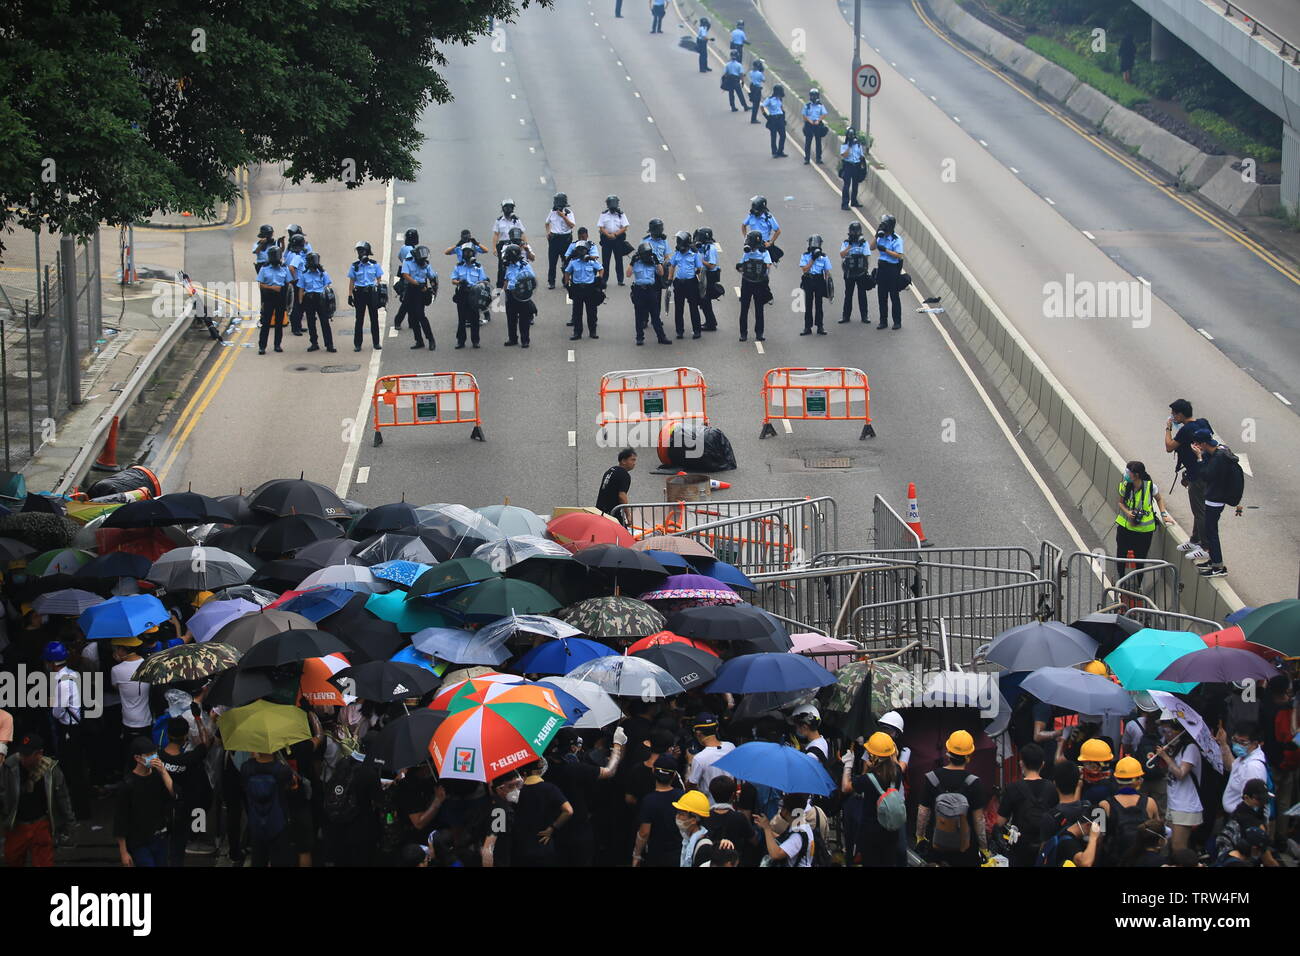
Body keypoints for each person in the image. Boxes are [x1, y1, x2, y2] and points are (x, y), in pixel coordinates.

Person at [544, 727, 626, 866]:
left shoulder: (545, 770)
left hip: (553, 830)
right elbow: (609, 771)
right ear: (572, 748)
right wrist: (618, 745)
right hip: (578, 829)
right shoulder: (575, 769)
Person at [915, 730, 987, 866]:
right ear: (969, 756)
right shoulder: (974, 783)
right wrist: (984, 847)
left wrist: (920, 836)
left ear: (948, 752)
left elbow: (923, 813)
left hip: (937, 847)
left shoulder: (931, 778)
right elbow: (979, 820)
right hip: (966, 850)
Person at [1, 733, 74, 867]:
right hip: (17, 825)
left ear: (39, 754)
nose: (23, 758)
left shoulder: (51, 770)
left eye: (27, 755)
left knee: (44, 862)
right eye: (22, 753)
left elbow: (63, 798)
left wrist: (68, 823)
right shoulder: (9, 767)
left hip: (41, 824)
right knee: (12, 860)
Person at [844, 732, 906, 866]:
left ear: (873, 756)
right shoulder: (897, 771)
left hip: (870, 834)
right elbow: (893, 765)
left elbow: (846, 787)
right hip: (891, 832)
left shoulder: (867, 779)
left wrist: (848, 764)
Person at [43, 640, 89, 820]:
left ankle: (78, 810)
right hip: (77, 727)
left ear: (52, 663)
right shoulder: (72, 674)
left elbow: (58, 712)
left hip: (69, 729)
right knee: (78, 768)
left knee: (72, 771)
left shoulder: (61, 682)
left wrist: (51, 703)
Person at [1164, 399, 1214, 561]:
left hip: (1197, 475)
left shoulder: (1186, 430)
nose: (1172, 417)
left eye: (1173, 414)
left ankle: (1205, 547)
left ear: (1180, 414)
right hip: (1206, 471)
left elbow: (1169, 446)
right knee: (1200, 509)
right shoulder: (1203, 423)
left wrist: (1168, 428)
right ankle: (1194, 540)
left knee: (1199, 511)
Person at [1190, 430, 1244, 578]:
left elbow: (1206, 475)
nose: (1195, 446)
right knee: (1210, 531)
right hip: (1215, 497)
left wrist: (1199, 457)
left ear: (1203, 443)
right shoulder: (1220, 452)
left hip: (1215, 499)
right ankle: (1213, 560)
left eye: (1197, 443)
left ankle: (1218, 566)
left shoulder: (1219, 458)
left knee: (1211, 532)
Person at [115, 736, 175, 867]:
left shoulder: (158, 777)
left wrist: (163, 772)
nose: (153, 757)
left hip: (160, 837)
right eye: (149, 755)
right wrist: (123, 851)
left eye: (154, 753)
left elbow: (174, 794)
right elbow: (120, 820)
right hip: (139, 841)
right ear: (137, 758)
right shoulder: (127, 785)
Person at [994, 742, 1058, 867]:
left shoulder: (1012, 788)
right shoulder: (1051, 787)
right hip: (1044, 847)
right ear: (1042, 764)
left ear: (1021, 763)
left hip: (1020, 847)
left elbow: (1000, 822)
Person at [160, 715, 210, 866]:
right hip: (182, 814)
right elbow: (206, 743)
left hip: (160, 812)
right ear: (185, 736)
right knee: (177, 852)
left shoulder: (156, 758)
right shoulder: (190, 759)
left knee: (159, 851)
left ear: (168, 734)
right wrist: (198, 719)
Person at [1152, 711, 1202, 851]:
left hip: (1185, 805)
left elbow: (1181, 774)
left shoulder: (1190, 748)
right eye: (1162, 731)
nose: (1165, 735)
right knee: (1168, 845)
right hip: (1173, 803)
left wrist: (1165, 757)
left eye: (1168, 731)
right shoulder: (1173, 748)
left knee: (1178, 847)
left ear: (1179, 731)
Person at [1114, 460, 1173, 575]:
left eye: (1128, 472)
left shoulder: (1150, 487)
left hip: (1144, 531)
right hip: (1125, 528)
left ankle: (1139, 582)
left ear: (1136, 475)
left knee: (1140, 559)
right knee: (1121, 556)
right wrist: (1127, 512)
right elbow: (1120, 503)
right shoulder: (1125, 485)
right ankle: (1121, 579)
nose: (1126, 474)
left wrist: (1164, 515)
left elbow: (1159, 499)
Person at [1098, 756, 1160, 866]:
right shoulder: (1150, 803)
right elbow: (1158, 833)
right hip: (1143, 861)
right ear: (1138, 780)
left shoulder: (1104, 805)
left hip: (1114, 861)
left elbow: (1098, 839)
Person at [512, 759, 571, 868]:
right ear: (540, 770)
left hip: (521, 846)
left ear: (524, 772)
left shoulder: (516, 793)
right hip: (544, 844)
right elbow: (568, 811)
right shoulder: (550, 788)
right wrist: (552, 828)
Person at [241, 750, 294, 867]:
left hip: (255, 823)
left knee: (258, 860)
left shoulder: (246, 768)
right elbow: (291, 787)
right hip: (278, 823)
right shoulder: (282, 770)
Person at [633, 753, 684, 866]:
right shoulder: (682, 796)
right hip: (678, 852)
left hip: (656, 854)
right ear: (674, 775)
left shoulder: (649, 801)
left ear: (653, 771)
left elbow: (644, 832)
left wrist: (636, 855)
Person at [111, 637, 152, 773]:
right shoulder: (147, 664)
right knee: (148, 758)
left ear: (123, 650)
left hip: (128, 721)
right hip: (147, 720)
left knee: (130, 757)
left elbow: (116, 688)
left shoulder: (116, 670)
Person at [1218, 721, 1269, 816]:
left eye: (1242, 742)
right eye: (1235, 740)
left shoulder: (1253, 767)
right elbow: (1233, 768)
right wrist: (1223, 744)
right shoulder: (1245, 757)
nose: (1237, 745)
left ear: (1254, 743)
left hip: (1243, 818)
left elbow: (1253, 802)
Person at [755, 793, 816, 866]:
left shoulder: (798, 835)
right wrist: (766, 827)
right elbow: (784, 840)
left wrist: (767, 828)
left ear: (786, 811)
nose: (780, 810)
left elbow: (775, 854)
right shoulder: (801, 826)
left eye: (782, 807)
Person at [627, 242, 670, 345]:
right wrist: (632, 262)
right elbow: (628, 274)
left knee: (655, 315)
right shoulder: (636, 262)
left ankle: (661, 337)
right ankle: (639, 338)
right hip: (639, 290)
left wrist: (657, 262)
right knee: (639, 315)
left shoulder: (652, 261)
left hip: (651, 290)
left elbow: (661, 273)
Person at [347, 240, 384, 353]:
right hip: (359, 293)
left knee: (374, 318)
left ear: (367, 252)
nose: (360, 253)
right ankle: (358, 344)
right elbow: (352, 281)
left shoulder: (374, 265)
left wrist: (379, 293)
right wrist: (350, 295)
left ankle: (376, 342)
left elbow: (379, 279)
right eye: (359, 251)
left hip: (371, 293)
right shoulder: (355, 266)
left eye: (362, 251)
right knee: (359, 319)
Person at [667, 230, 705, 340]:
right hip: (679, 283)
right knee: (679, 308)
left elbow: (699, 268)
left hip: (691, 283)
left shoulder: (694, 254)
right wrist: (670, 279)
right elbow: (672, 266)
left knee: (693, 307)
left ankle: (697, 331)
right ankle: (679, 331)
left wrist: (700, 282)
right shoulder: (677, 254)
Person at [736, 230, 772, 342]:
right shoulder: (747, 252)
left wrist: (756, 263)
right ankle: (743, 333)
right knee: (744, 308)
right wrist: (742, 267)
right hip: (747, 282)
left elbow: (768, 265)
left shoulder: (764, 252)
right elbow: (741, 267)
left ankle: (759, 333)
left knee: (759, 309)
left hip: (760, 282)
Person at [297, 252, 337, 353]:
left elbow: (328, 286)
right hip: (309, 299)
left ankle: (329, 344)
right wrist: (300, 303)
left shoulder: (323, 274)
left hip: (321, 299)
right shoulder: (304, 275)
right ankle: (314, 343)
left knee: (325, 322)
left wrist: (328, 301)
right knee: (311, 323)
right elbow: (301, 289)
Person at [563, 238, 604, 340]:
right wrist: (567, 283)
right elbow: (567, 272)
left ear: (587, 251)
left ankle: (592, 332)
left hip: (590, 289)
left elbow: (601, 269)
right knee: (577, 313)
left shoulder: (591, 262)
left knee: (592, 312)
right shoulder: (573, 262)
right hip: (577, 289)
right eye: (579, 250)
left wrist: (599, 279)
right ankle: (577, 333)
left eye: (583, 250)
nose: (581, 252)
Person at [479, 771, 522, 867]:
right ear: (499, 789)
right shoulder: (500, 812)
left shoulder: (493, 803)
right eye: (510, 786)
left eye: (517, 784)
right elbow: (488, 848)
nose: (515, 789)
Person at [1038, 802, 1101, 866]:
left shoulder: (1068, 827)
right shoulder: (1067, 842)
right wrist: (1093, 838)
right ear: (1089, 825)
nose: (1099, 835)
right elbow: (1085, 863)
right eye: (1099, 831)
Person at [451, 244, 490, 350]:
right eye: (465, 252)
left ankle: (475, 341)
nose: (467, 254)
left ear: (473, 253)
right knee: (461, 319)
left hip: (474, 293)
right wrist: (459, 282)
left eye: (469, 252)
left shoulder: (478, 267)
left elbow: (483, 281)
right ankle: (460, 341)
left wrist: (480, 284)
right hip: (462, 293)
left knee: (474, 319)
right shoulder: (459, 266)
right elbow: (453, 280)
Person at [401, 244, 439, 350]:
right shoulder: (408, 262)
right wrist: (417, 283)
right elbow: (405, 275)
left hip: (421, 291)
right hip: (411, 289)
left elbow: (432, 276)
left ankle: (431, 339)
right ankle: (419, 340)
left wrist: (433, 287)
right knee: (412, 318)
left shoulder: (426, 264)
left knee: (421, 315)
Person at [870, 214, 904, 330]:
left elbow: (899, 255)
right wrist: (876, 235)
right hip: (882, 268)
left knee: (894, 296)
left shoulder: (896, 239)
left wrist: (886, 250)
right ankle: (883, 321)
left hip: (892, 269)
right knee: (882, 296)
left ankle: (897, 322)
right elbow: (871, 247)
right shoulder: (881, 236)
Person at [685, 713, 735, 793]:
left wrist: (690, 763)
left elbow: (690, 788)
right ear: (716, 728)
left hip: (709, 801)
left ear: (698, 733)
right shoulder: (731, 747)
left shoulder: (699, 758)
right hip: (730, 800)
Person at [256, 246, 291, 355]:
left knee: (279, 322)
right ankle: (262, 346)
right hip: (268, 298)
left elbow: (288, 283)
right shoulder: (264, 268)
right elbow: (261, 284)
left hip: (280, 297)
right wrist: (272, 288)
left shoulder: (284, 268)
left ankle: (277, 345)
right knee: (266, 322)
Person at [502, 244, 537, 348]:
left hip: (522, 295)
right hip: (510, 294)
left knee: (524, 319)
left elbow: (532, 279)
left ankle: (525, 340)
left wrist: (526, 292)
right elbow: (506, 279)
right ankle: (512, 339)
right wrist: (504, 292)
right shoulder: (509, 266)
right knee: (511, 319)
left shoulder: (525, 265)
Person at [838, 220, 872, 324]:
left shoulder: (864, 243)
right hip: (849, 271)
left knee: (862, 294)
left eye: (856, 231)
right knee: (848, 294)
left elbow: (867, 256)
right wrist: (850, 246)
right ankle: (845, 316)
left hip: (861, 272)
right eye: (853, 231)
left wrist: (860, 246)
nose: (855, 233)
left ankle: (864, 316)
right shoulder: (846, 242)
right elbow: (842, 255)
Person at [672, 789, 716, 866]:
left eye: (681, 814)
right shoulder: (687, 840)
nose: (677, 817)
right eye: (677, 813)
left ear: (693, 820)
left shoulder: (704, 848)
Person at [799, 235, 832, 336]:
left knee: (819, 304)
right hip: (808, 279)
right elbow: (805, 270)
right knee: (808, 304)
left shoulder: (824, 257)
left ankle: (820, 326)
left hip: (819, 280)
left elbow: (827, 272)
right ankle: (807, 327)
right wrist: (813, 259)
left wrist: (827, 285)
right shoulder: (805, 256)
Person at [491, 199, 527, 290]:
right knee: (502, 266)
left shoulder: (517, 220)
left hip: (515, 244)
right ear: (503, 209)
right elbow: (496, 234)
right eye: (506, 207)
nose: (508, 209)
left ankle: (516, 285)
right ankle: (500, 287)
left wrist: (525, 245)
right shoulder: (499, 220)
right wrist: (494, 248)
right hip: (503, 245)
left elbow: (522, 233)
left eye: (510, 207)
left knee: (516, 264)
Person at [597, 196, 631, 287]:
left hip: (618, 240)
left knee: (619, 260)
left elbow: (625, 227)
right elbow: (601, 227)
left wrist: (615, 234)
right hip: (606, 240)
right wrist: (608, 235)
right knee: (606, 261)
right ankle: (604, 280)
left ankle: (620, 280)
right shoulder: (604, 214)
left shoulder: (621, 214)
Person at [544, 193, 575, 289]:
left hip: (565, 239)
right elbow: (547, 223)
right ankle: (551, 282)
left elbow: (572, 225)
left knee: (566, 261)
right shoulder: (552, 212)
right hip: (554, 239)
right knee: (552, 262)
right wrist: (548, 232)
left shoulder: (569, 213)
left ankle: (566, 280)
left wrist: (563, 216)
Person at [391, 227, 419, 330]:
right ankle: (398, 321)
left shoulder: (404, 247)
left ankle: (412, 322)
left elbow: (399, 257)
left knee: (411, 302)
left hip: (406, 276)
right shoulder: (412, 250)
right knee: (407, 302)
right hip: (410, 278)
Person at [693, 227, 721, 332]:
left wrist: (700, 260)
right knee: (704, 300)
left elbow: (712, 265)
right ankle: (711, 321)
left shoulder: (711, 249)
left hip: (710, 276)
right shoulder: (703, 246)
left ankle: (711, 323)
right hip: (705, 274)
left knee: (705, 300)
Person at [741, 196, 783, 263]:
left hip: (763, 245)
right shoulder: (751, 215)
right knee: (745, 262)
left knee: (765, 264)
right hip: (752, 243)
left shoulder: (768, 217)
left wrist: (770, 242)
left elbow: (778, 231)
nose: (755, 213)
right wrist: (746, 237)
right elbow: (743, 226)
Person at [284, 232, 309, 336]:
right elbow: (291, 267)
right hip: (298, 283)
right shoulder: (297, 256)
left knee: (297, 304)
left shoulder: (290, 253)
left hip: (294, 282)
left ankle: (298, 325)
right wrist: (296, 279)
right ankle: (296, 328)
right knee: (298, 305)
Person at [839, 127, 868, 209]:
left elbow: (861, 156)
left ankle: (854, 201)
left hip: (856, 166)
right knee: (846, 185)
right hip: (848, 165)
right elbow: (844, 155)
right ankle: (845, 203)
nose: (851, 137)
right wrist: (849, 146)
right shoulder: (844, 145)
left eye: (852, 135)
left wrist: (862, 167)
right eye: (850, 135)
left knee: (855, 184)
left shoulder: (858, 145)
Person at [801, 89, 828, 164]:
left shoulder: (820, 105)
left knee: (818, 142)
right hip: (809, 125)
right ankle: (807, 159)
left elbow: (824, 114)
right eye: (812, 95)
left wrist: (818, 120)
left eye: (815, 96)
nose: (814, 97)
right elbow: (804, 116)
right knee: (808, 142)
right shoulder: (807, 105)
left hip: (817, 124)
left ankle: (818, 158)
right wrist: (810, 121)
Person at [762, 84, 787, 157]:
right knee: (774, 136)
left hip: (780, 118)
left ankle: (780, 151)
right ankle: (774, 152)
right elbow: (762, 106)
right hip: (773, 118)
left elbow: (781, 107)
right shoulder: (770, 99)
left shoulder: (780, 99)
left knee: (783, 135)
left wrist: (783, 116)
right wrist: (766, 115)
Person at [747, 58, 765, 124]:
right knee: (756, 105)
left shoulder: (750, 72)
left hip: (752, 87)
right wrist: (762, 72)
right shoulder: (760, 74)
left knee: (754, 102)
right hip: (757, 89)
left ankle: (753, 118)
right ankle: (753, 119)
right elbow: (764, 80)